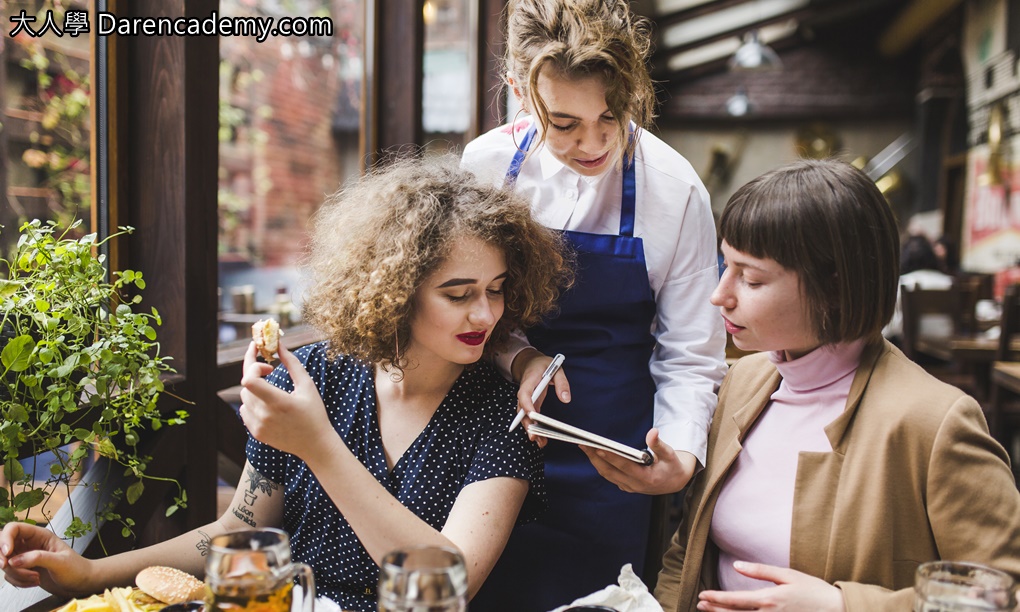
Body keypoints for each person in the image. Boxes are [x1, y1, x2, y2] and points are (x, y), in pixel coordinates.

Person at [0, 155, 573, 612]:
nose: (485, 315)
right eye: (458, 294)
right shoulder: (318, 373)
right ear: (397, 290)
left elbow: (453, 581)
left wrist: (317, 446)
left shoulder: (506, 416)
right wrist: (91, 573)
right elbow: (239, 527)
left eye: (495, 289)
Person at [654, 159, 1020, 611]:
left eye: (750, 278)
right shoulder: (744, 382)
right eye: (724, 266)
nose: (720, 294)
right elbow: (686, 552)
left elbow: (1004, 594)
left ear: (835, 288)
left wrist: (843, 606)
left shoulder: (932, 422)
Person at [462, 0, 726, 607]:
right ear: (518, 93)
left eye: (612, 115)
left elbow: (691, 355)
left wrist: (680, 457)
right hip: (486, 440)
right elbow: (466, 306)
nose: (593, 142)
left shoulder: (676, 189)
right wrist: (520, 358)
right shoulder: (485, 166)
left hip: (611, 460)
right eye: (564, 122)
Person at [882, 234, 955, 343]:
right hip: (947, 347)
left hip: (910, 350)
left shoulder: (902, 283)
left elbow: (891, 327)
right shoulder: (950, 282)